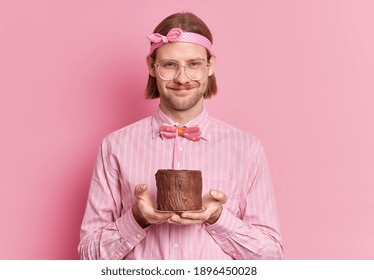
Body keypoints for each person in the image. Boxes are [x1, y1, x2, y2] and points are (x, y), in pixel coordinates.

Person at [78, 12, 283, 260]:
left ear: (210, 66)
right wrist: (137, 218)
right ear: (152, 67)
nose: (182, 78)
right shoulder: (115, 146)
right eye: (169, 65)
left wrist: (217, 217)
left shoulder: (247, 149)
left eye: (194, 64)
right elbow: (89, 256)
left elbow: (271, 257)